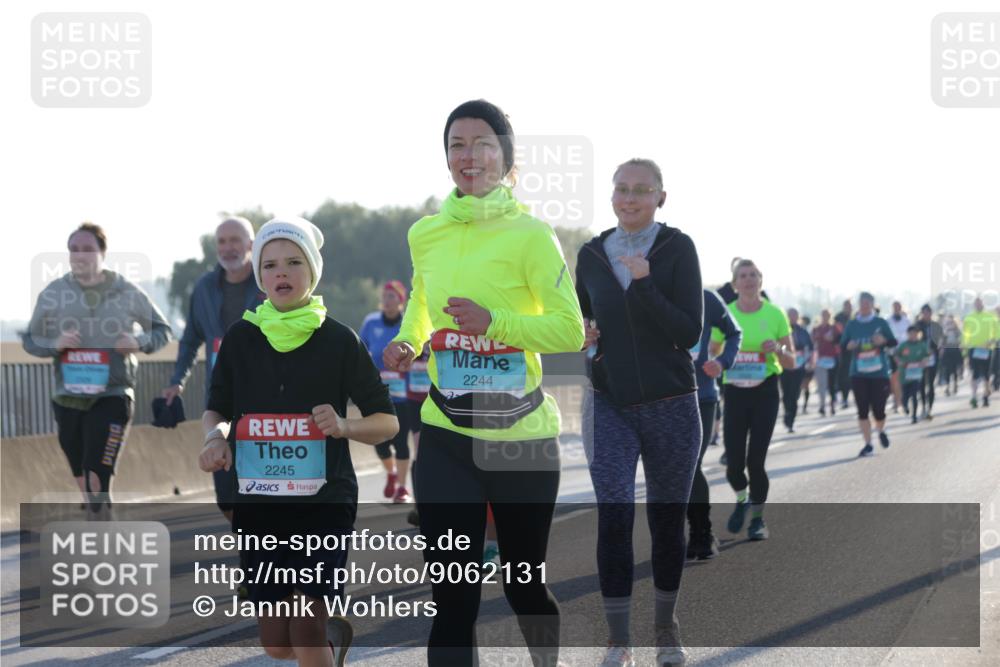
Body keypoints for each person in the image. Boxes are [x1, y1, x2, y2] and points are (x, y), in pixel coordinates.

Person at [382, 100, 584, 667]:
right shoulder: (426, 233)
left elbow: (568, 329)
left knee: (523, 587)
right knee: (453, 600)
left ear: (506, 157)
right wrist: (410, 340)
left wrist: (493, 323)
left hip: (522, 438)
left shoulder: (533, 236)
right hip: (447, 434)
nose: (469, 156)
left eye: (482, 144)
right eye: (457, 145)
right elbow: (423, 303)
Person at [198, 217, 399, 666]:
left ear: (312, 270)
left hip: (324, 501)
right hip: (259, 502)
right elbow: (218, 410)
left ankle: (319, 640)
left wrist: (345, 427)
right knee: (276, 643)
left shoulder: (339, 340)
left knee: (304, 624)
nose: (281, 273)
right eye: (269, 265)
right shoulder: (241, 339)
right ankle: (329, 643)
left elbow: (387, 423)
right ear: (260, 276)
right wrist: (215, 438)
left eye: (293, 262)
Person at [575, 157, 704, 667]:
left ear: (660, 198)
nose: (630, 198)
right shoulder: (590, 254)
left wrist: (646, 284)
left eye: (641, 190)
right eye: (622, 189)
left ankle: (665, 631)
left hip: (672, 403)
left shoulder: (677, 249)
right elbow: (579, 318)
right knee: (614, 516)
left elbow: (689, 332)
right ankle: (617, 641)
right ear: (612, 196)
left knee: (667, 521)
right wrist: (583, 336)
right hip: (609, 402)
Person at [23, 222, 171, 515]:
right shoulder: (54, 293)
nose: (80, 255)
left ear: (102, 253)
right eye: (74, 249)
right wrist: (56, 343)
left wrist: (137, 341)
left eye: (88, 249)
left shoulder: (126, 291)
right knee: (78, 463)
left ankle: (100, 520)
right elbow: (30, 339)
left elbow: (162, 330)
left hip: (113, 393)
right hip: (68, 395)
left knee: (97, 467)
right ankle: (97, 507)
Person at [163, 217, 264, 521]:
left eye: (235, 240)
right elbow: (191, 339)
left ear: (251, 244)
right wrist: (177, 381)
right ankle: (250, 545)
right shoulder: (205, 287)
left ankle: (261, 553)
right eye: (222, 241)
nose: (228, 248)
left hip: (267, 396)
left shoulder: (267, 281)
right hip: (222, 397)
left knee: (263, 483)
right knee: (226, 493)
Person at [719, 260, 795, 542]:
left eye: (753, 275)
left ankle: (758, 520)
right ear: (735, 283)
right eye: (743, 276)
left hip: (765, 390)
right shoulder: (726, 314)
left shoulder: (775, 314)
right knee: (733, 464)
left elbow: (791, 359)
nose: (748, 280)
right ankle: (742, 499)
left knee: (756, 461)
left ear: (760, 281)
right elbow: (714, 350)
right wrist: (725, 354)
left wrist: (777, 348)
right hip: (735, 392)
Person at [687, 289, 741, 561]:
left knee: (691, 464)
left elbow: (734, 333)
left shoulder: (706, 298)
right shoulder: (646, 293)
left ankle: (702, 532)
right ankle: (685, 532)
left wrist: (722, 362)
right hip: (661, 401)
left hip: (702, 396)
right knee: (672, 470)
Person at [359, 280, 414, 503]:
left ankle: (402, 487)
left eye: (393, 297)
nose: (387, 301)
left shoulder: (408, 324)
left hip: (405, 394)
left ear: (401, 301)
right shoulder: (371, 322)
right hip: (379, 393)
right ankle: (390, 473)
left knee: (401, 441)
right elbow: (360, 350)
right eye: (385, 296)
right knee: (380, 443)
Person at [840, 292, 898, 457]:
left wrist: (883, 341)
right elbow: (843, 345)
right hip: (858, 373)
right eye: (862, 302)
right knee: (862, 409)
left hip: (879, 372)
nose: (864, 305)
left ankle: (881, 430)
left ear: (872, 304)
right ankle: (868, 444)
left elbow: (893, 342)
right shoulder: (852, 324)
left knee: (879, 410)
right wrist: (849, 345)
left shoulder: (880, 322)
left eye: (867, 303)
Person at [779, 307, 812, 433]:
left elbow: (810, 347)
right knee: (786, 393)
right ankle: (787, 412)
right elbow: (777, 344)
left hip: (799, 366)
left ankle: (791, 420)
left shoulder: (803, 331)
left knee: (795, 393)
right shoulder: (782, 330)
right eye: (790, 315)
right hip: (784, 366)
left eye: (795, 315)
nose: (792, 318)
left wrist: (809, 361)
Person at [962, 296, 999, 408]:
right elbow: (965, 334)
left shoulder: (990, 317)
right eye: (976, 303)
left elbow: (997, 332)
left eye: (980, 303)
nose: (978, 305)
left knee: (986, 374)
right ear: (974, 305)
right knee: (974, 373)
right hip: (973, 349)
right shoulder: (969, 317)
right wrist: (964, 348)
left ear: (984, 304)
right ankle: (974, 397)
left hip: (987, 349)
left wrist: (991, 341)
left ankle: (985, 396)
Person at [895, 325, 930, 424]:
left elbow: (928, 356)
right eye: (911, 334)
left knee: (914, 394)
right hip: (905, 375)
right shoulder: (903, 345)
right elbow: (896, 355)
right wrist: (899, 362)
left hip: (917, 374)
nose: (913, 336)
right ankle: (905, 406)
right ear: (908, 334)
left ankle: (914, 416)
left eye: (915, 334)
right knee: (905, 394)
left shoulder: (922, 345)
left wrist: (924, 361)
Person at [914, 304, 943, 420]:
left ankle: (929, 408)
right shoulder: (918, 325)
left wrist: (939, 348)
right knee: (921, 384)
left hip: (933, 356)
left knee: (930, 383)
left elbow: (940, 339)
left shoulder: (936, 325)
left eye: (928, 312)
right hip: (920, 357)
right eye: (924, 313)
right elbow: (913, 339)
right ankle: (923, 407)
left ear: (931, 313)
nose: (926, 315)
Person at [811, 308, 840, 416]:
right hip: (820, 359)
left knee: (831, 384)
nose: (825, 317)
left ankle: (832, 404)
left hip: (832, 359)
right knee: (821, 384)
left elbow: (840, 340)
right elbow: (812, 342)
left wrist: (832, 339)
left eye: (827, 315)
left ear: (830, 316)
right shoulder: (816, 329)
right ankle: (822, 405)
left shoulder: (834, 328)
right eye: (823, 315)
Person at [887, 301, 911, 414]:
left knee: (904, 378)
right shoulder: (888, 321)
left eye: (898, 307)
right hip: (892, 352)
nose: (897, 309)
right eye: (895, 307)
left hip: (905, 352)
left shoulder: (906, 321)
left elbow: (910, 336)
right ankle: (896, 401)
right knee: (894, 378)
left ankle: (904, 400)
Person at [834, 299, 854, 409]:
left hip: (854, 351)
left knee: (853, 375)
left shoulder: (856, 318)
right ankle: (844, 398)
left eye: (850, 306)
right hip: (841, 351)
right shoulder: (838, 318)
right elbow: (836, 334)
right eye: (846, 306)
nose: (848, 308)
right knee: (843, 376)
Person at [941, 314, 963, 396]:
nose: (950, 324)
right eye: (948, 322)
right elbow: (941, 342)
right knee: (947, 370)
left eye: (951, 322)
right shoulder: (944, 331)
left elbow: (960, 340)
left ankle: (955, 384)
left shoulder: (957, 331)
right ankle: (947, 386)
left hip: (955, 350)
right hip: (947, 351)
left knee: (954, 369)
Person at [799, 315, 815, 414]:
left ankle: (804, 405)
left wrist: (810, 361)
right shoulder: (796, 330)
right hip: (798, 362)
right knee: (801, 385)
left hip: (806, 362)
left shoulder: (808, 332)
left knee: (806, 385)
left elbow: (812, 348)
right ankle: (798, 404)